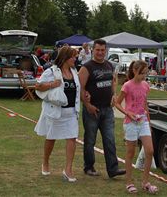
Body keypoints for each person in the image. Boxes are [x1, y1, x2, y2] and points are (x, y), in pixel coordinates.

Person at [78, 39, 126, 178]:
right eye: (97, 50)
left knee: (110, 139)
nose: (100, 52)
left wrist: (114, 95)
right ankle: (89, 167)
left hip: (107, 110)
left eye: (102, 50)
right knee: (90, 140)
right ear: (93, 50)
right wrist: (87, 105)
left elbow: (113, 81)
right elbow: (81, 88)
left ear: (106, 51)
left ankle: (113, 169)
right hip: (92, 110)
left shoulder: (109, 65)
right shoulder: (86, 67)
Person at [34, 46, 81, 182]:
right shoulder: (52, 71)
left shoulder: (74, 71)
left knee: (72, 138)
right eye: (73, 57)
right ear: (65, 57)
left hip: (72, 111)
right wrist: (52, 84)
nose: (75, 59)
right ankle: (45, 162)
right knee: (51, 138)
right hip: (56, 111)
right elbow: (38, 86)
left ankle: (68, 169)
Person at [115, 60, 158, 194]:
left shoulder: (145, 85)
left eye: (146, 73)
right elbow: (117, 103)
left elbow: (145, 105)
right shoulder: (127, 86)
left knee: (149, 151)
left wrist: (149, 123)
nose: (144, 76)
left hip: (143, 120)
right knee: (130, 153)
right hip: (131, 122)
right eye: (142, 73)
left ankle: (145, 182)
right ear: (134, 71)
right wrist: (128, 113)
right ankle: (129, 182)